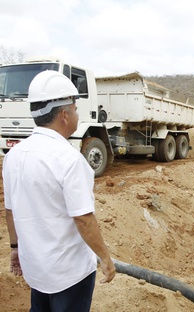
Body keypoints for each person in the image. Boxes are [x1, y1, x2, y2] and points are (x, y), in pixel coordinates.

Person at [3, 70, 115, 312]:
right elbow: (83, 219)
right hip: (69, 274)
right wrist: (105, 258)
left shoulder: (13, 156)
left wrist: (15, 249)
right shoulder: (70, 160)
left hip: (36, 269)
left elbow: (10, 211)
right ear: (64, 115)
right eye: (75, 109)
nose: (77, 113)